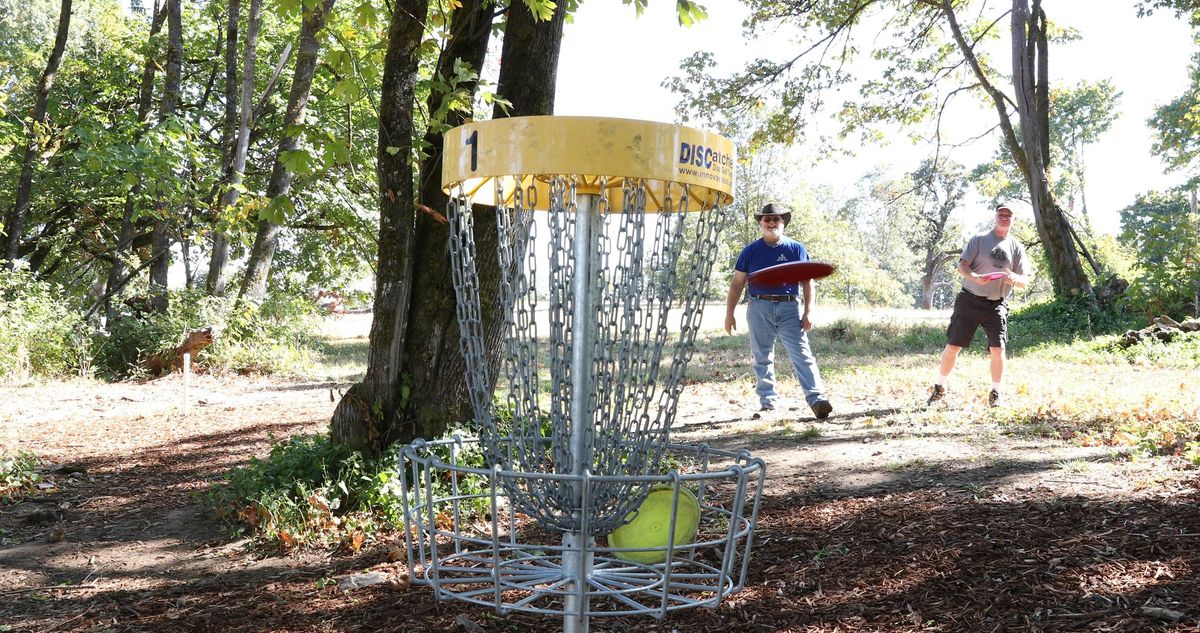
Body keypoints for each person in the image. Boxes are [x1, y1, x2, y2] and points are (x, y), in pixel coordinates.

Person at [724, 203, 833, 419]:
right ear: (761, 223)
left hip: (789, 307)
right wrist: (730, 313)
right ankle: (768, 404)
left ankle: (817, 400)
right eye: (767, 220)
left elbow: (808, 282)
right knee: (762, 356)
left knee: (802, 354)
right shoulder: (750, 251)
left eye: (776, 219)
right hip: (758, 307)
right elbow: (737, 284)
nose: (772, 223)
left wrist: (808, 311)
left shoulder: (796, 248)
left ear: (783, 223)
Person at [927, 204, 1031, 407]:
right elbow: (962, 266)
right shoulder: (979, 240)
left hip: (996, 305)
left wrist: (1013, 278)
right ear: (995, 217)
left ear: (1014, 220)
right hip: (969, 299)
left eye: (1008, 215)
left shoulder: (1016, 247)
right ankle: (939, 388)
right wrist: (976, 278)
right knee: (953, 346)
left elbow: (1024, 279)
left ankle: (995, 393)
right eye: (1001, 214)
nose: (1004, 218)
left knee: (998, 350)